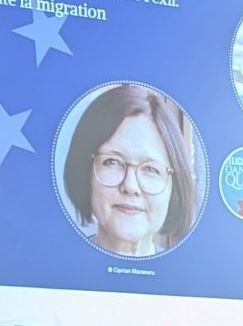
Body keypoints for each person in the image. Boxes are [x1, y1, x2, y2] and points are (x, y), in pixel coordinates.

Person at [60, 82, 202, 258]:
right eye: (112, 162)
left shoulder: (189, 275)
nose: (130, 186)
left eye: (150, 169)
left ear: (174, 187)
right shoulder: (52, 270)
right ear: (85, 173)